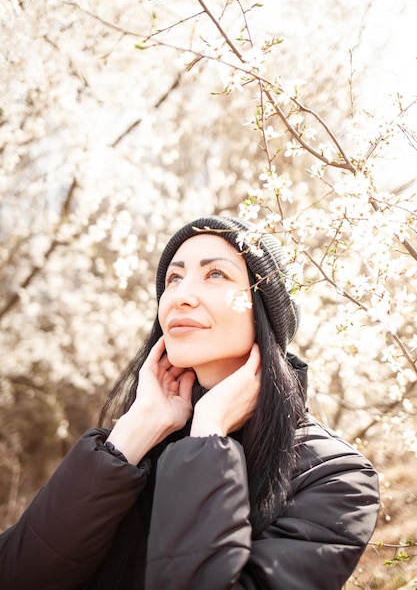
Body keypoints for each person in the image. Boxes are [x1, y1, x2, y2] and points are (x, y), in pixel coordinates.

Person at [0, 215, 379, 590]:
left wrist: (208, 433)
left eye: (216, 275)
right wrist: (130, 436)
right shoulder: (139, 444)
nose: (181, 296)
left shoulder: (337, 478)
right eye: (174, 278)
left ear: (265, 309)